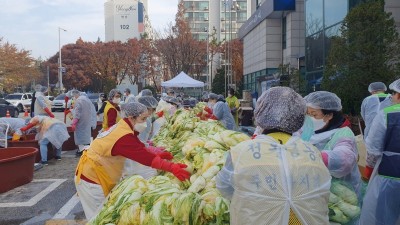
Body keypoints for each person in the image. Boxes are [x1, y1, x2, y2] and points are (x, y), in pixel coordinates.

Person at [216, 87, 331, 225]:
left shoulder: (241, 153)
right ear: (299, 117)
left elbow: (225, 189)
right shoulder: (313, 152)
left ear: (260, 114)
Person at [74, 102, 190, 220]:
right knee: (98, 218)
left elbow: (138, 146)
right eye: (143, 118)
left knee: (104, 215)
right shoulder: (122, 136)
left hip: (98, 173)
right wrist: (171, 167)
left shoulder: (124, 127)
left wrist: (156, 152)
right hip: (91, 179)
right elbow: (144, 157)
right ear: (131, 117)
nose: (145, 122)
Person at [300, 91, 362, 202]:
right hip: (314, 194)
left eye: (314, 115)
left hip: (341, 197)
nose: (309, 118)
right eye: (307, 114)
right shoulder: (309, 132)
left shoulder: (343, 133)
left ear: (329, 115)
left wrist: (312, 156)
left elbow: (344, 160)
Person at [359, 78, 400, 225]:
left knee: (384, 217)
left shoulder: (387, 114)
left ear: (398, 95)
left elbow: (374, 149)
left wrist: (370, 168)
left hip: (391, 175)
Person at [123, 96, 159, 179]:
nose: (145, 122)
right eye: (143, 119)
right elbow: (137, 150)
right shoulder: (125, 133)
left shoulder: (129, 127)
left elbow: (138, 143)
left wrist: (147, 148)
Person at [68, 90, 97, 157]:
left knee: (80, 138)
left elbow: (77, 113)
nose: (73, 98)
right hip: (88, 122)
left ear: (75, 95)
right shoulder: (86, 100)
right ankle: (87, 151)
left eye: (73, 96)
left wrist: (74, 123)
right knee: (87, 138)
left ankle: (81, 152)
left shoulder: (79, 101)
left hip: (81, 123)